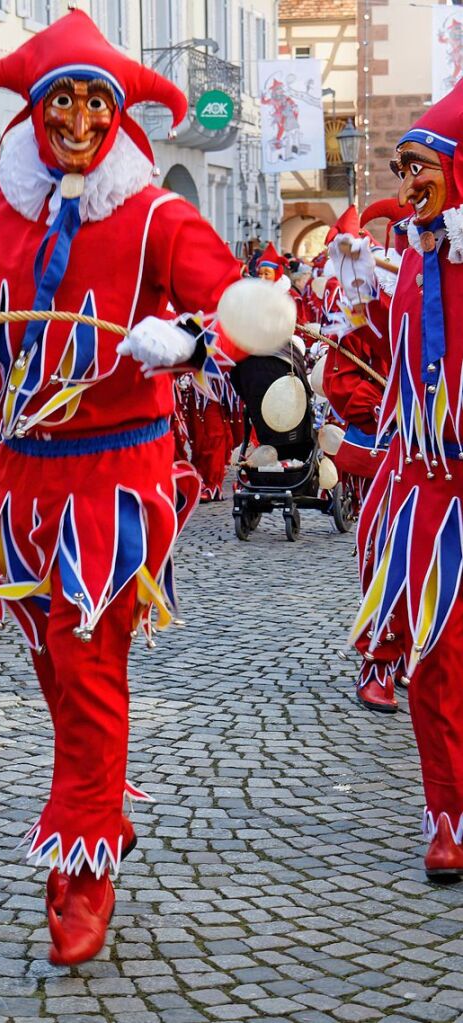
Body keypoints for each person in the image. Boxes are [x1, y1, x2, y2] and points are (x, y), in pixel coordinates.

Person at [0, 10, 244, 964]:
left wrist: (194, 336)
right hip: (19, 485)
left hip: (113, 485)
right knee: (60, 667)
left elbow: (241, 307)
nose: (79, 118)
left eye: (97, 101)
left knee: (86, 670)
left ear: (118, 113)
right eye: (61, 100)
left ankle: (82, 869)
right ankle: (100, 801)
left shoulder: (156, 215)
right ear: (35, 112)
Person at [350, 79, 463, 878]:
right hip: (427, 492)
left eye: (420, 165)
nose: (407, 181)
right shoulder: (410, 270)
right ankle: (446, 817)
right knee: (435, 662)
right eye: (401, 167)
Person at [320, 203, 399, 712]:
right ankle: (381, 659)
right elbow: (340, 378)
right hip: (391, 451)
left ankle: (425, 655)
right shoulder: (365, 311)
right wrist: (384, 406)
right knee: (387, 555)